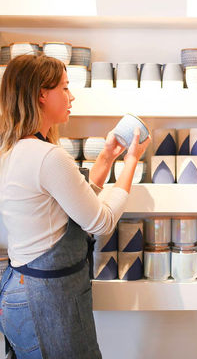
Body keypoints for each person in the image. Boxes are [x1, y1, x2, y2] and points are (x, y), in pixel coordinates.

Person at [0, 54, 151, 358]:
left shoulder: (14, 150)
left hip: (19, 291)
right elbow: (100, 221)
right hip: (47, 300)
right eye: (64, 88)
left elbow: (77, 206)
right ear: (41, 94)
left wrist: (108, 156)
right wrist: (132, 161)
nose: (71, 96)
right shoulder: (48, 157)